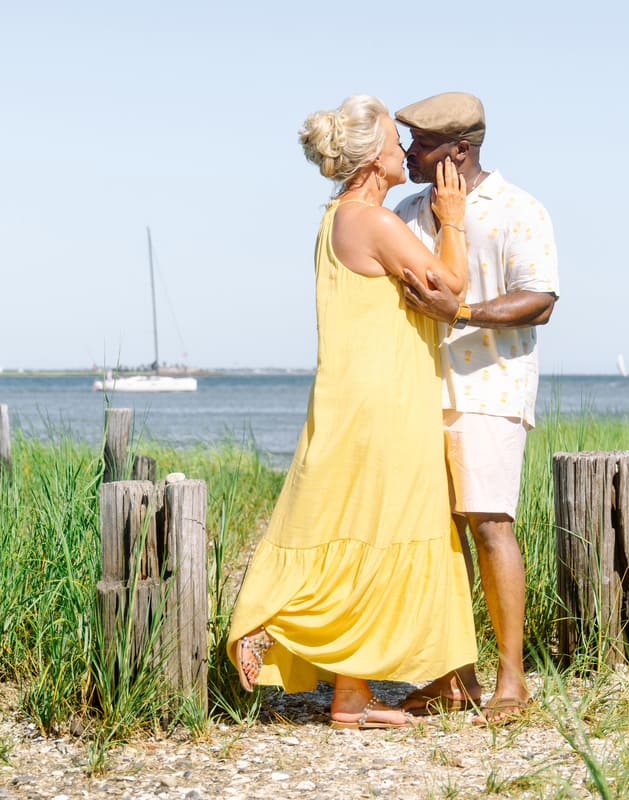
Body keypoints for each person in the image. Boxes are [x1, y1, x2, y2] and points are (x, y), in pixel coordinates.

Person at [226, 94, 478, 730]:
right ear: (372, 158)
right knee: (384, 521)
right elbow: (452, 289)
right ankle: (269, 624)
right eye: (397, 142)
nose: (405, 152)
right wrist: (454, 219)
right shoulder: (375, 222)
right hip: (384, 397)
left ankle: (350, 695)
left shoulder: (336, 218)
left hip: (351, 392)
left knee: (361, 525)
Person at [392, 92, 559, 725]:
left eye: (423, 145)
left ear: (459, 150)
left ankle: (511, 678)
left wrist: (458, 312)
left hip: (489, 391)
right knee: (435, 538)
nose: (410, 153)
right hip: (414, 393)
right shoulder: (406, 212)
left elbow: (539, 300)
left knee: (490, 526)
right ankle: (451, 676)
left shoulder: (519, 208)